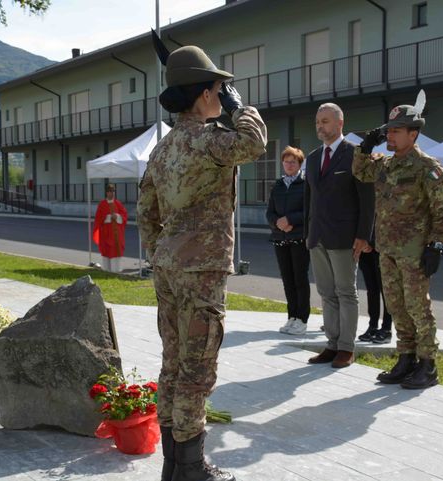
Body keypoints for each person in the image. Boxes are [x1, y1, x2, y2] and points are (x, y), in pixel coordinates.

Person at [139, 36, 267, 481]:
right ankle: (191, 470)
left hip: (169, 268)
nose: (221, 95)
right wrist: (240, 107)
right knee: (197, 371)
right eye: (218, 89)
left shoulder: (162, 148)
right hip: (202, 268)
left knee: (172, 365)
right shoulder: (212, 141)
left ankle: (173, 465)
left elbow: (146, 214)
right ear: (206, 94)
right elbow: (254, 142)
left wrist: (160, 254)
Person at [353, 92, 443, 389]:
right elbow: (360, 173)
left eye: (396, 131)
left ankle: (427, 364)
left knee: (417, 307)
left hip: (414, 250)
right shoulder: (385, 165)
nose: (390, 136)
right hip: (388, 249)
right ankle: (406, 357)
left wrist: (436, 245)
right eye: (389, 131)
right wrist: (365, 146)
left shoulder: (426, 167)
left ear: (414, 133)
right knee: (397, 307)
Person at [304, 103, 375, 369]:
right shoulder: (312, 158)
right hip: (318, 236)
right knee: (326, 292)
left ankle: (347, 347)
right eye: (317, 122)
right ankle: (332, 344)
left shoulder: (355, 154)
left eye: (325, 121)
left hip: (345, 237)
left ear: (340, 123)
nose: (320, 126)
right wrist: (307, 234)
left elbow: (367, 200)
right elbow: (308, 199)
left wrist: (363, 236)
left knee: (346, 292)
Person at [266, 146, 310, 335]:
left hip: (299, 238)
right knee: (287, 280)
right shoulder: (278, 185)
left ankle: (302, 319)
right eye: (286, 161)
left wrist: (291, 220)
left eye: (293, 162)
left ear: (300, 164)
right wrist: (278, 223)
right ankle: (291, 316)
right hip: (280, 237)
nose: (289, 165)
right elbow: (269, 212)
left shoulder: (306, 184)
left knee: (300, 279)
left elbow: (309, 210)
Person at [357, 230, 392, 344]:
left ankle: (386, 329)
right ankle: (373, 326)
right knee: (371, 289)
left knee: (386, 290)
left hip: (382, 245)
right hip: (364, 246)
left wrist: (371, 243)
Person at [92, 184, 128, 272]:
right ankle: (106, 270)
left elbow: (124, 215)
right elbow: (98, 218)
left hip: (117, 234)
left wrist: (118, 216)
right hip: (106, 233)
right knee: (106, 251)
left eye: (113, 191)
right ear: (106, 193)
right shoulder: (102, 204)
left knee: (116, 251)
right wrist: (108, 217)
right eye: (110, 191)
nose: (111, 193)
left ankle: (116, 271)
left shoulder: (118, 204)